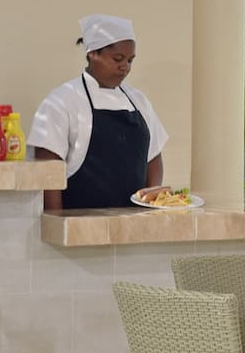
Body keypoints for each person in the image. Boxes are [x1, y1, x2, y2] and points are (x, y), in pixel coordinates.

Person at [29, 14, 169, 211]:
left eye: (130, 60)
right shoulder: (62, 101)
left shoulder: (139, 100)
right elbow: (47, 169)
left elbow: (153, 157)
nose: (125, 67)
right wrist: (55, 220)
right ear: (93, 53)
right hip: (79, 220)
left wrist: (151, 204)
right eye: (117, 59)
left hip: (135, 220)